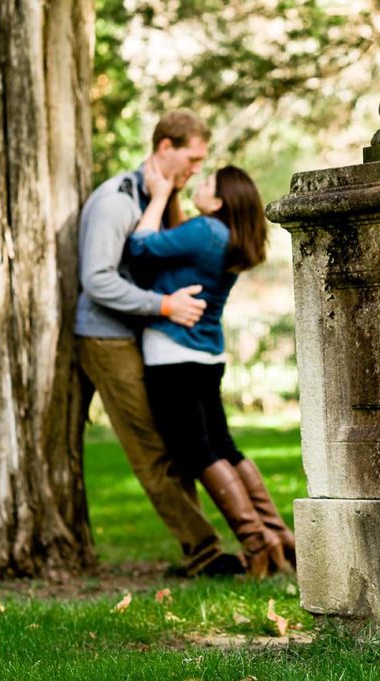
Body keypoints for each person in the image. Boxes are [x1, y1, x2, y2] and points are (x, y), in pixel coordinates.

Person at [75, 110, 244, 577]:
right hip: (106, 338)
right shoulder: (116, 201)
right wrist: (165, 307)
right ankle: (206, 553)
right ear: (165, 148)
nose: (195, 169)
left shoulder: (162, 199)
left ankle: (212, 546)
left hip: (143, 338)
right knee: (153, 449)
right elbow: (97, 281)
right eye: (192, 159)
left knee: (175, 444)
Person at [126, 163, 296, 578]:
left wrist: (163, 194)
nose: (199, 186)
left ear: (219, 201)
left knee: (197, 452)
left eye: (207, 184)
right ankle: (279, 541)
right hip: (205, 357)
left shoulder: (206, 231)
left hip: (173, 353)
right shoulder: (233, 236)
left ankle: (257, 545)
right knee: (222, 446)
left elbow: (141, 247)